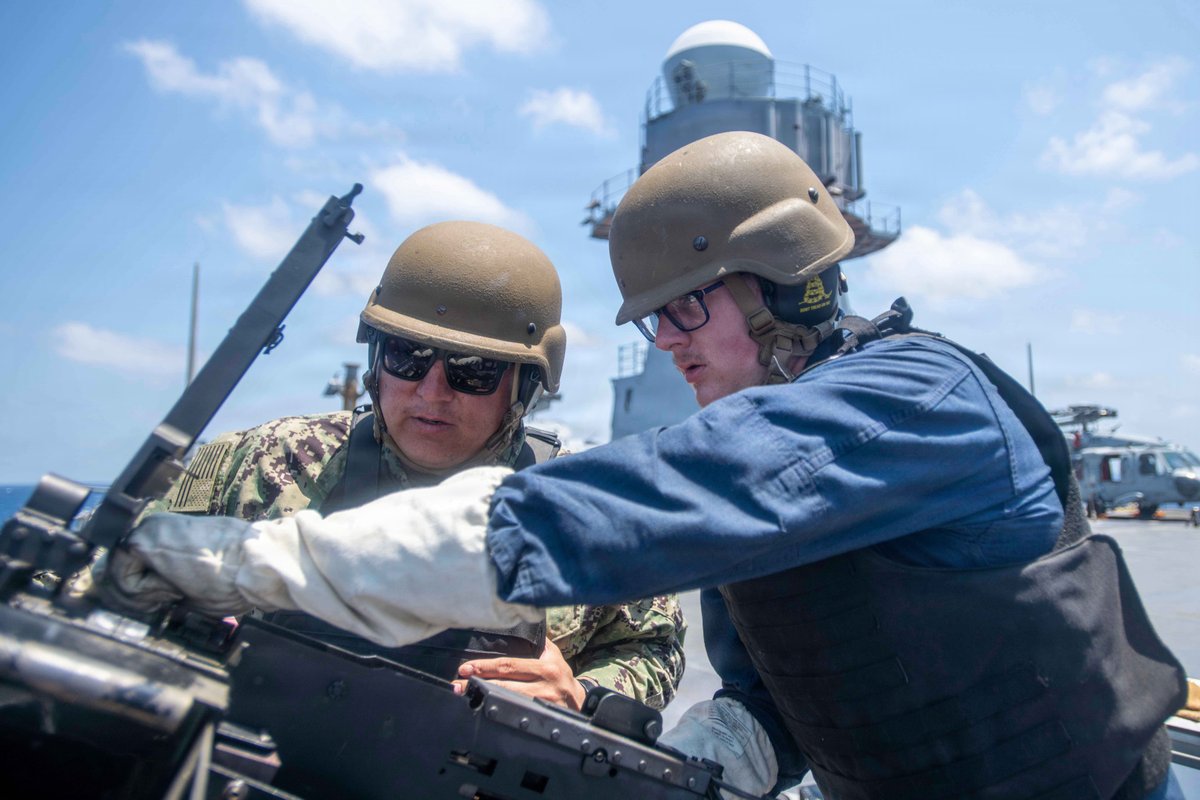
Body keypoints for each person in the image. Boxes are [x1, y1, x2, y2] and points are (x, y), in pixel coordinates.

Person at [106, 133, 1187, 799]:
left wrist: (226, 559)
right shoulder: (780, 472)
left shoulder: (907, 401)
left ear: (781, 284)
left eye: (684, 306)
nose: (665, 339)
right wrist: (644, 748)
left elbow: (594, 511)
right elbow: (773, 701)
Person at [134, 220, 685, 713]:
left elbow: (653, 645)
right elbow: (105, 578)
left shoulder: (585, 512)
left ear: (525, 387)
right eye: (406, 357)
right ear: (375, 361)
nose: (431, 392)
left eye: (472, 370)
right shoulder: (257, 465)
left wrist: (581, 693)